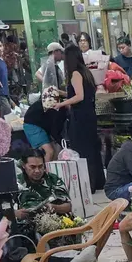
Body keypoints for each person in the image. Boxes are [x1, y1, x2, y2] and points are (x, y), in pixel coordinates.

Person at [54, 44, 105, 192]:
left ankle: (89, 184)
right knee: (92, 148)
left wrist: (61, 103)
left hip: (81, 117)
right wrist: (62, 93)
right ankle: (99, 181)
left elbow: (79, 96)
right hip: (90, 115)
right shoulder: (86, 72)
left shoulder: (75, 73)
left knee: (82, 150)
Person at [14, 148, 72, 237]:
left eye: (40, 166)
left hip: (56, 224)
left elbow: (68, 206)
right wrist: (16, 213)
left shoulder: (53, 179)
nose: (37, 171)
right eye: (32, 167)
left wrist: (53, 207)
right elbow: (3, 211)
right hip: (27, 229)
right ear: (24, 166)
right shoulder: (16, 183)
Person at [23, 94, 65, 163]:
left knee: (54, 152)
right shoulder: (59, 109)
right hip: (32, 124)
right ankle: (44, 172)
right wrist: (63, 144)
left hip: (41, 123)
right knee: (49, 151)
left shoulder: (61, 105)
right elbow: (54, 130)